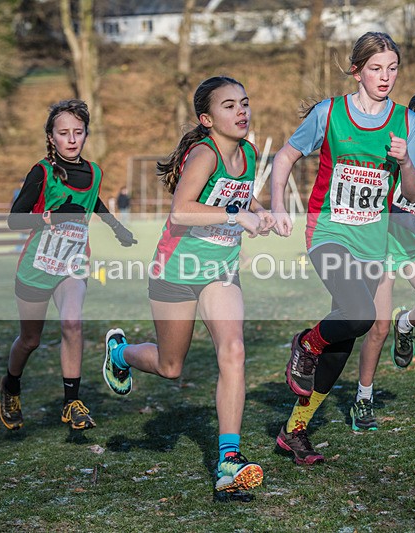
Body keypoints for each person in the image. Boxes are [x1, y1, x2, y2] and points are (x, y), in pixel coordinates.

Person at [102, 77, 273, 501]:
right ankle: (120, 353)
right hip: (176, 270)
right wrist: (237, 217)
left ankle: (228, 461)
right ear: (207, 119)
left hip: (221, 272)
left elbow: (241, 196)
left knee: (233, 351)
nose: (241, 111)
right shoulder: (203, 153)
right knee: (170, 366)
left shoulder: (249, 153)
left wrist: (265, 212)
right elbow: (181, 212)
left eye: (245, 103)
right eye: (229, 105)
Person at [269, 32, 415, 463]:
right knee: (360, 315)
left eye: (393, 68)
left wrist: (407, 162)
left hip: (373, 242)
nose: (386, 77)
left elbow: (411, 192)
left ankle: (294, 431)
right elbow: (284, 157)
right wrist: (278, 203)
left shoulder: (406, 122)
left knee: (345, 336)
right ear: (357, 70)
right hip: (328, 233)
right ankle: (304, 342)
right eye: (376, 68)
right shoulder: (329, 113)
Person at [0, 99, 137, 433]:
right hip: (37, 266)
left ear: (86, 134)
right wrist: (46, 217)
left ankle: (70, 403)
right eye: (64, 133)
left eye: (78, 132)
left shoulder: (95, 172)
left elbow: (95, 202)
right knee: (30, 340)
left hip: (73, 264)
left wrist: (117, 228)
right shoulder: (42, 172)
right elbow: (14, 220)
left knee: (72, 323)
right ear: (51, 137)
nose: (72, 139)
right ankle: (11, 385)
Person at [352, 90, 415, 431]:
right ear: (413, 124)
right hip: (385, 245)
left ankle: (405, 323)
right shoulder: (397, 156)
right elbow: (389, 205)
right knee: (377, 329)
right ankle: (363, 398)